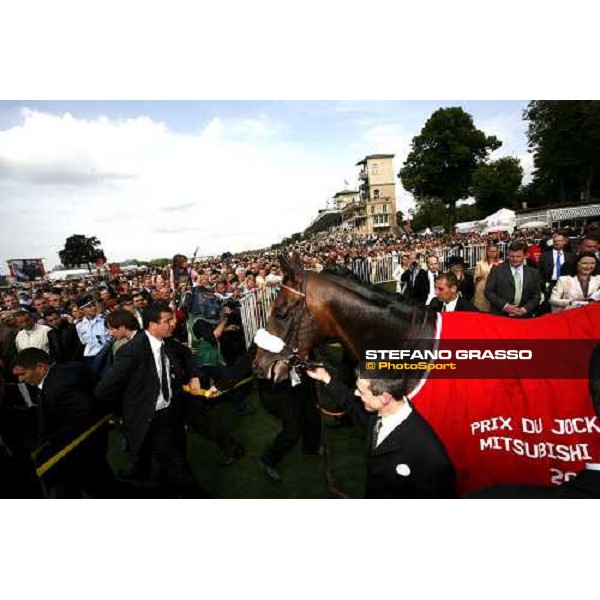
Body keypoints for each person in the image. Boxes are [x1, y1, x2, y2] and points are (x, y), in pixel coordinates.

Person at [95, 302, 205, 498]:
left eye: (173, 319)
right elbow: (103, 390)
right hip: (151, 419)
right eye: (167, 321)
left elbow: (186, 354)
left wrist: (194, 376)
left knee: (175, 460)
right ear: (152, 325)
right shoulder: (131, 351)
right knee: (178, 468)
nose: (173, 324)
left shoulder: (168, 342)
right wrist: (129, 412)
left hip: (172, 413)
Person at [306, 367, 456, 498]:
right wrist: (325, 377)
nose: (357, 394)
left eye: (362, 392)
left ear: (385, 398)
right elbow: (350, 403)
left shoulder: (431, 455)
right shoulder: (376, 415)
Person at [12, 348, 118, 498]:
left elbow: (83, 417)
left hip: (77, 452)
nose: (20, 380)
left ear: (41, 367)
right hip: (82, 449)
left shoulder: (58, 387)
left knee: (98, 486)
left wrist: (53, 446)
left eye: (22, 374)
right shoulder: (70, 368)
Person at [484, 241, 541, 317]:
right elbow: (488, 291)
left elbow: (536, 296)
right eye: (512, 256)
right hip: (501, 315)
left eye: (518, 256)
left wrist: (525, 309)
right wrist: (505, 306)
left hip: (524, 317)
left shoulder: (534, 273)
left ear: (525, 256)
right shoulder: (496, 270)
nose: (515, 259)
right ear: (508, 255)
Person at [75, 297, 109, 368]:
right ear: (82, 310)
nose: (93, 308)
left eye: (93, 305)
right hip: (90, 357)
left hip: (106, 354)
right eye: (89, 307)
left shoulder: (105, 320)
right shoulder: (79, 325)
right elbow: (83, 342)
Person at [473, 243, 502, 312]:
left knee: (493, 310)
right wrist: (478, 277)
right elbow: (475, 277)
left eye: (494, 251)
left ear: (497, 252)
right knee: (481, 309)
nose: (492, 253)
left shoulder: (501, 263)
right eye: (490, 251)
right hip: (482, 288)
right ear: (487, 251)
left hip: (495, 289)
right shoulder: (480, 263)